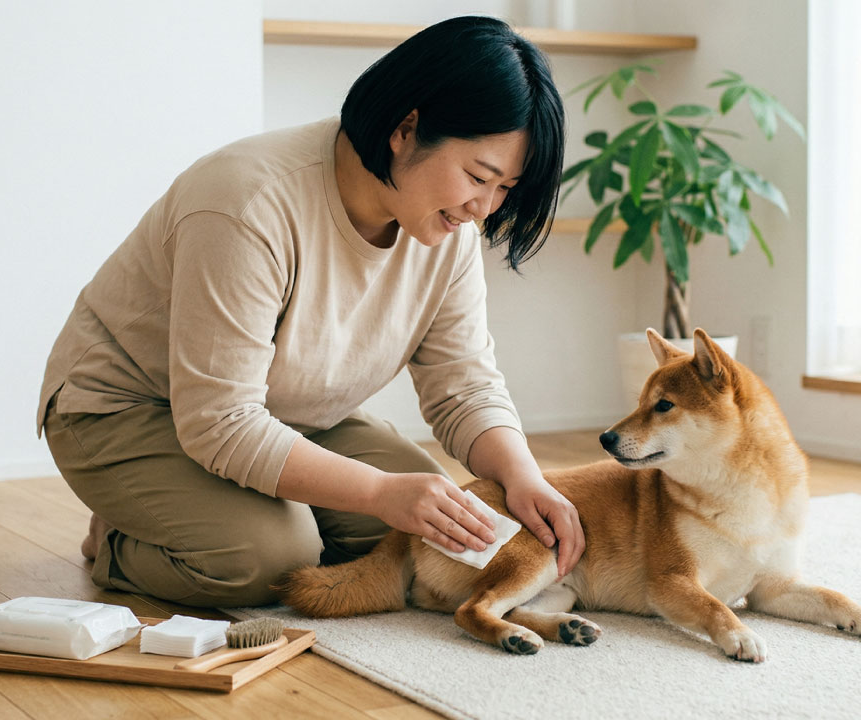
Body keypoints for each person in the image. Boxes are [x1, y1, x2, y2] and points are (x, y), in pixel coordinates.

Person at [36, 15, 584, 608]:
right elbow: (218, 420)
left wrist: (525, 477)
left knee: (430, 533)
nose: (484, 207)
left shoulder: (447, 228)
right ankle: (121, 538)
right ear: (405, 129)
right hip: (128, 408)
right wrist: (376, 489)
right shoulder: (247, 203)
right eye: (480, 177)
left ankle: (242, 510)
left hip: (279, 411)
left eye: (506, 189)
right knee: (267, 560)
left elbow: (463, 385)